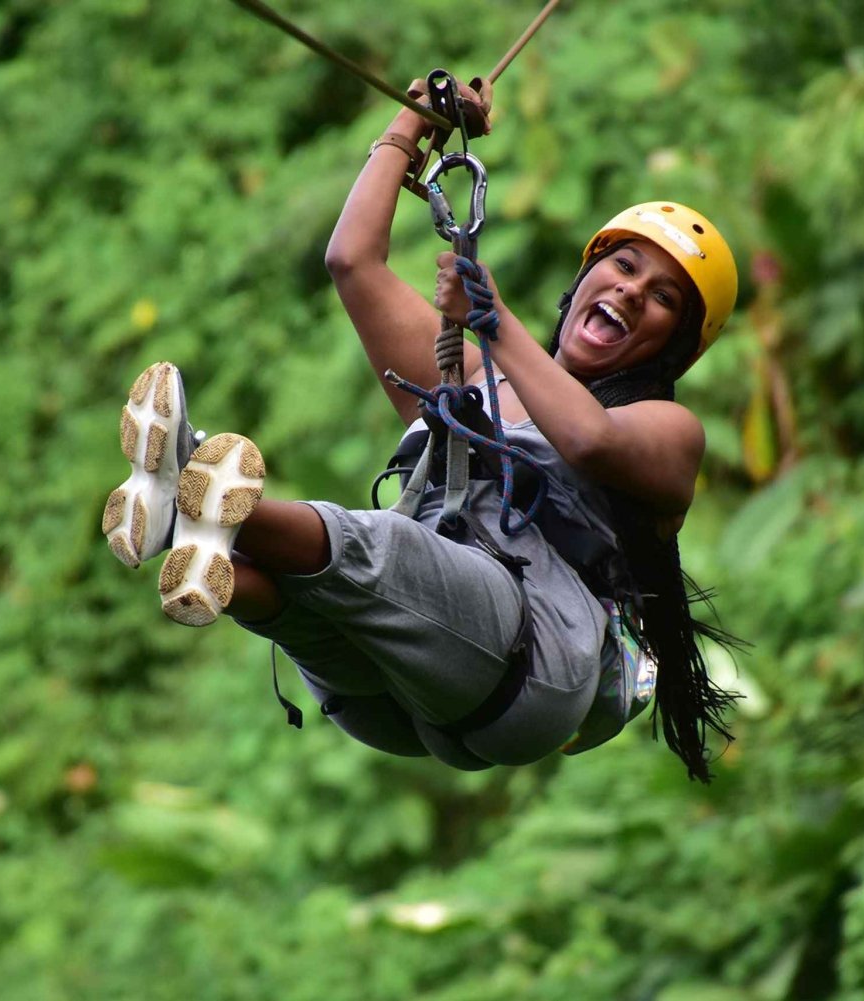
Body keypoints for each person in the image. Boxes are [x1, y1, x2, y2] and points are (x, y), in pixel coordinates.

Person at [100, 78, 740, 779]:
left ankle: (193, 494)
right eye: (624, 265)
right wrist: (411, 125)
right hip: (391, 691)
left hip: (535, 663)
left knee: (384, 546)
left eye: (662, 298)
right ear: (586, 275)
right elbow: (352, 263)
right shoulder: (477, 377)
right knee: (299, 600)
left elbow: (588, 439)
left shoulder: (667, 430)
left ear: (674, 348)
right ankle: (200, 541)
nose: (631, 291)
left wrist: (490, 315)